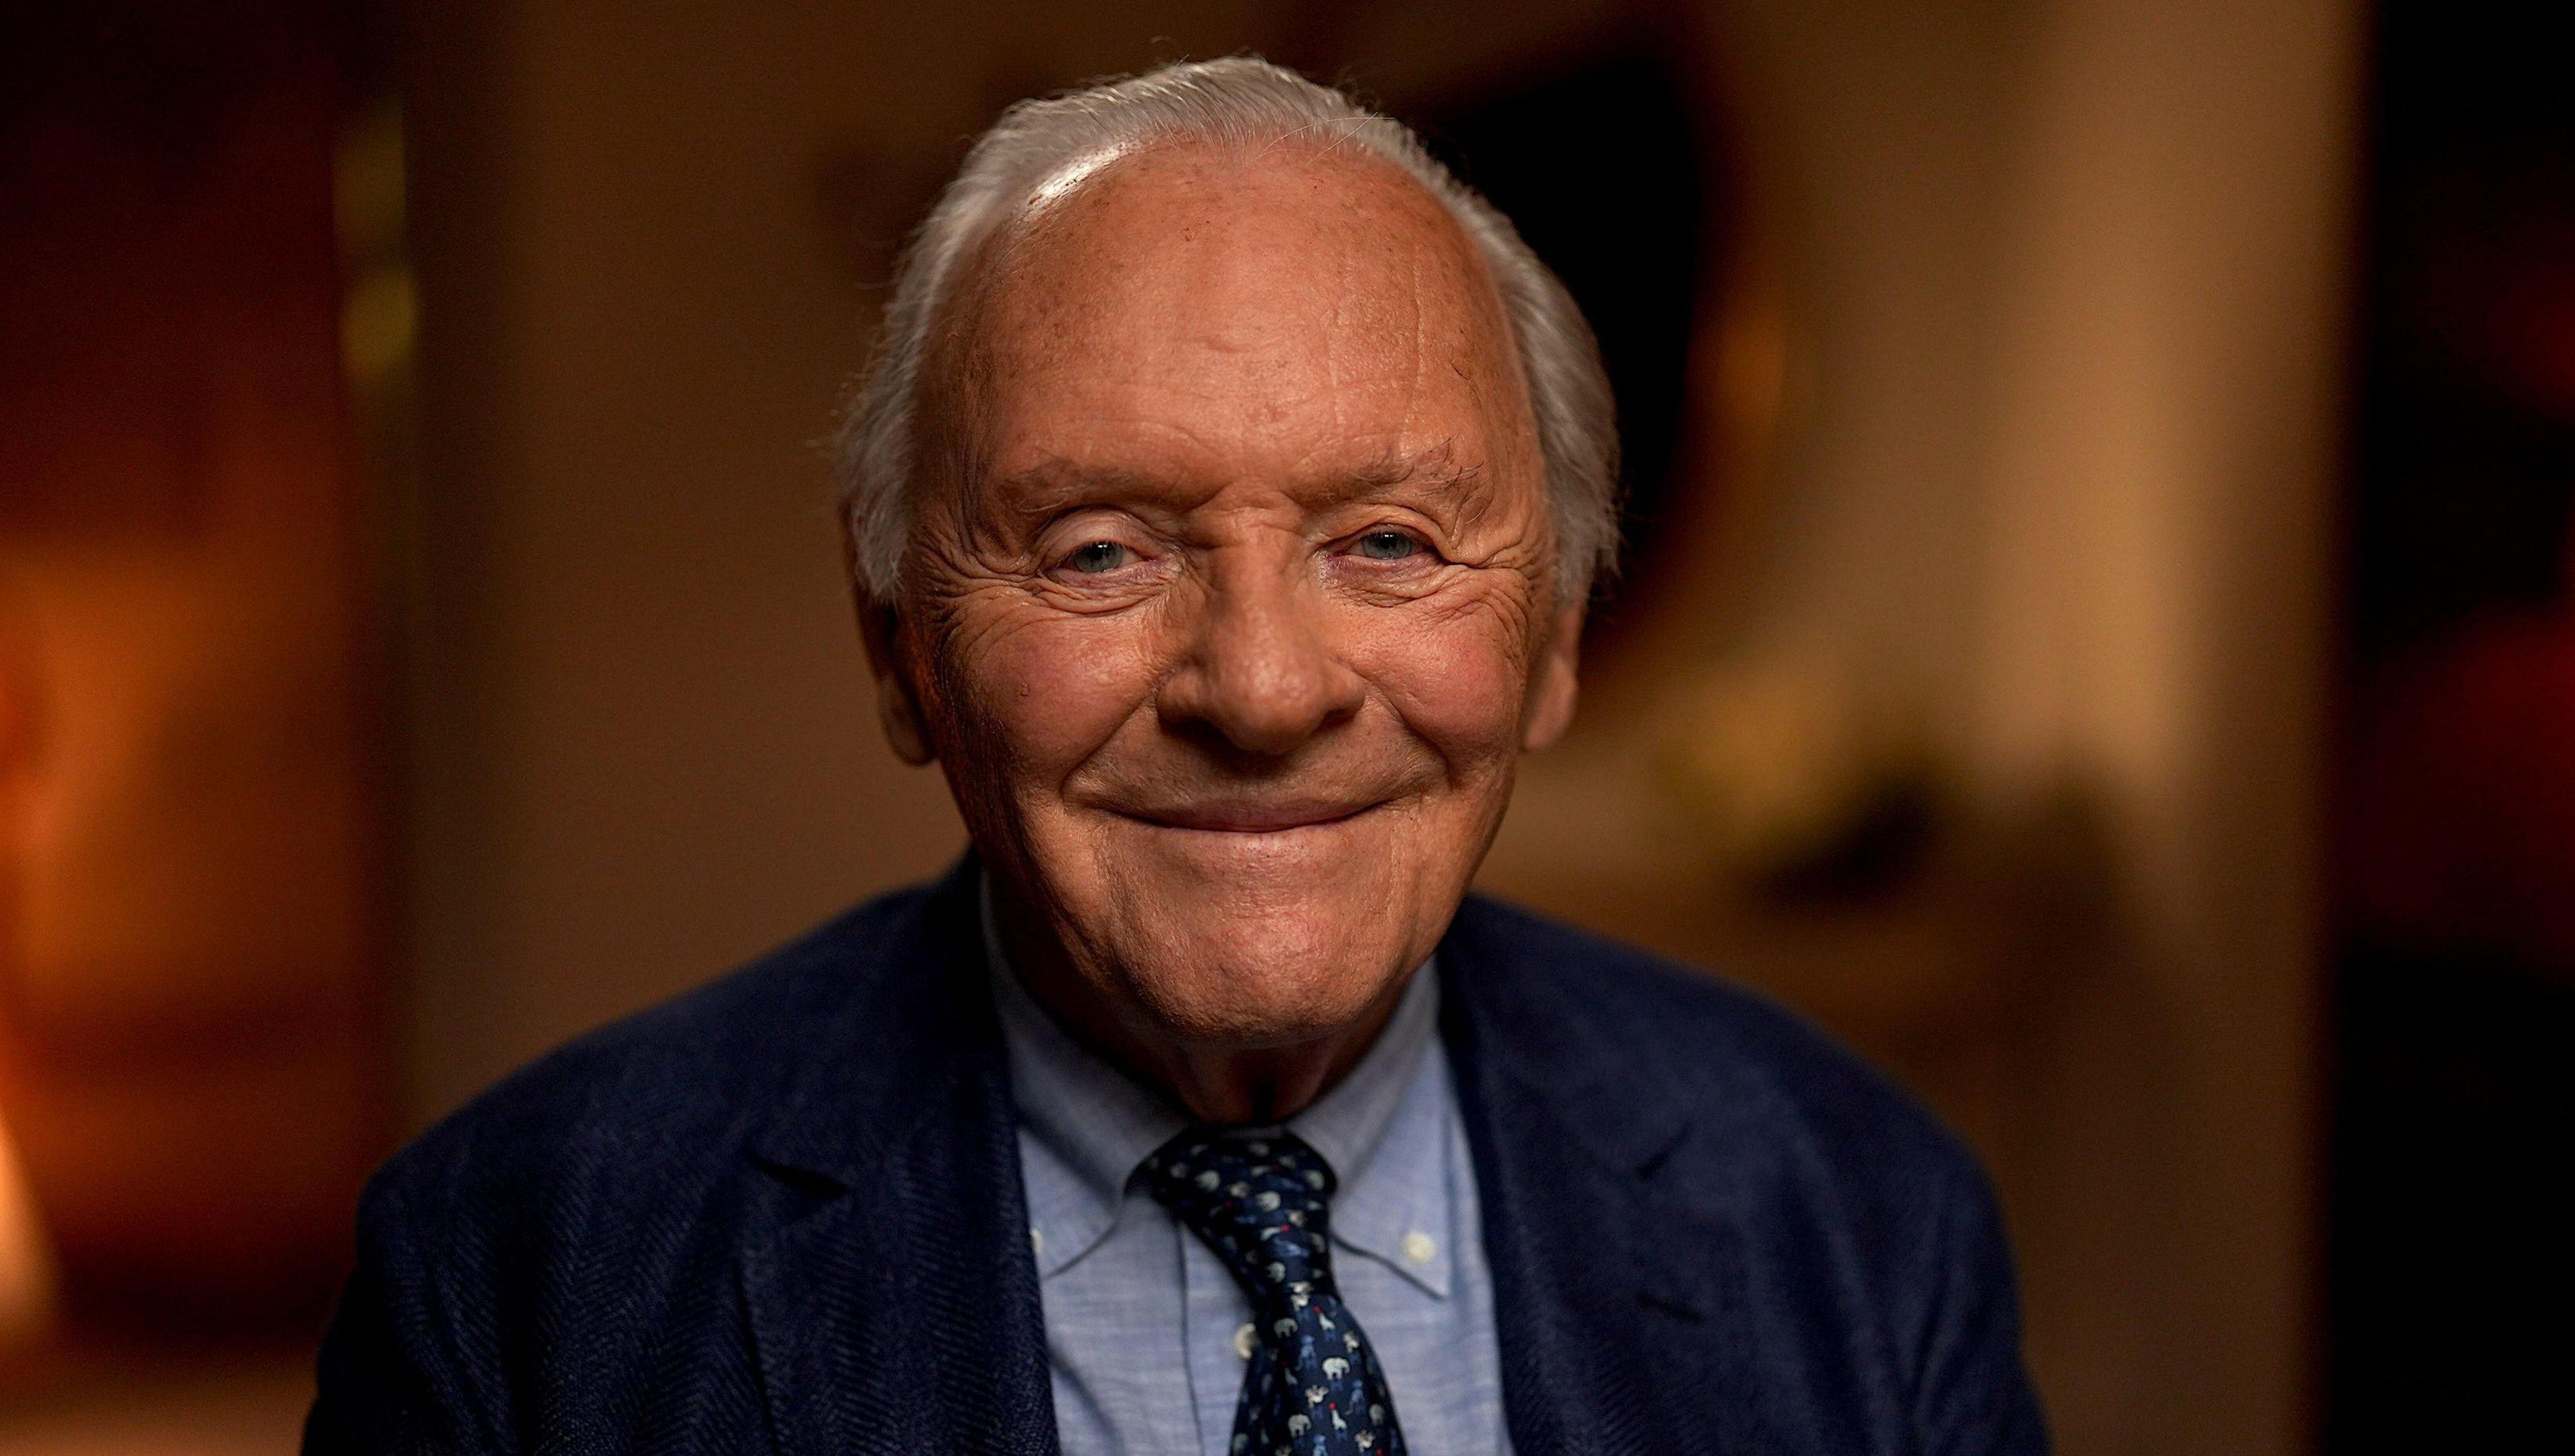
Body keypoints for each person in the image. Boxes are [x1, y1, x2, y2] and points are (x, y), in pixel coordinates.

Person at [305, 58, 2044, 1455]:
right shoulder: (516, 1283)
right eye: (1099, 552)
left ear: (1557, 639)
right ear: (899, 643)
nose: (1264, 690)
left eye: (1389, 542)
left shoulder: (1862, 1217)